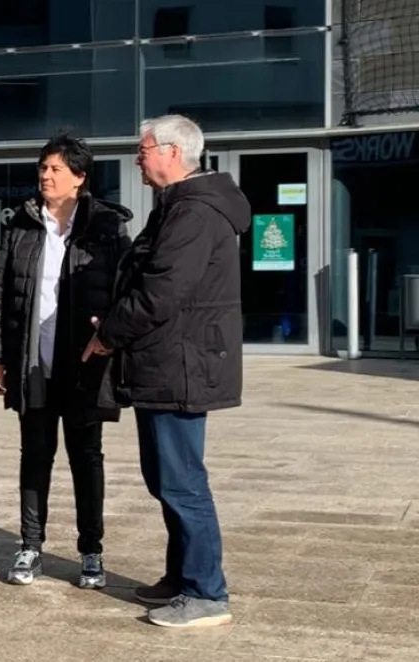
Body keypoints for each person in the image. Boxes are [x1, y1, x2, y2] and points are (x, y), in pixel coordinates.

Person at [83, 114, 250, 628]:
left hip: (180, 364)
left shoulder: (194, 213)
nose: (138, 157)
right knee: (166, 479)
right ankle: (182, 578)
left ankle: (206, 592)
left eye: (144, 148)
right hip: (163, 361)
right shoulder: (177, 207)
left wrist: (107, 332)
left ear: (173, 152)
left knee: (182, 482)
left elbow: (162, 292)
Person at [0, 133, 133, 589]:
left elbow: (124, 291)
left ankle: (92, 551)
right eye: (43, 168)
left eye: (56, 169)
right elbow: (0, 295)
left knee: (86, 457)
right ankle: (30, 545)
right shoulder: (23, 225)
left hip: (85, 363)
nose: (45, 176)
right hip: (33, 361)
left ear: (80, 178)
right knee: (35, 455)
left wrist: (109, 336)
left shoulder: (105, 227)